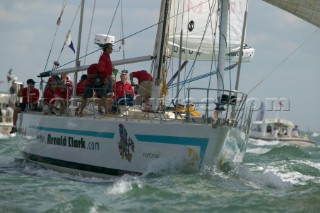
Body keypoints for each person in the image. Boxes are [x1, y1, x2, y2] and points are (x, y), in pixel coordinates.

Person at [77, 42, 114, 116]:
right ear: (106, 49)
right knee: (91, 96)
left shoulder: (107, 56)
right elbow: (101, 69)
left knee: (105, 95)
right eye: (110, 48)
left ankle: (105, 111)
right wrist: (104, 77)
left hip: (103, 79)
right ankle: (80, 111)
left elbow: (103, 68)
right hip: (98, 80)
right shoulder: (103, 57)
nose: (112, 49)